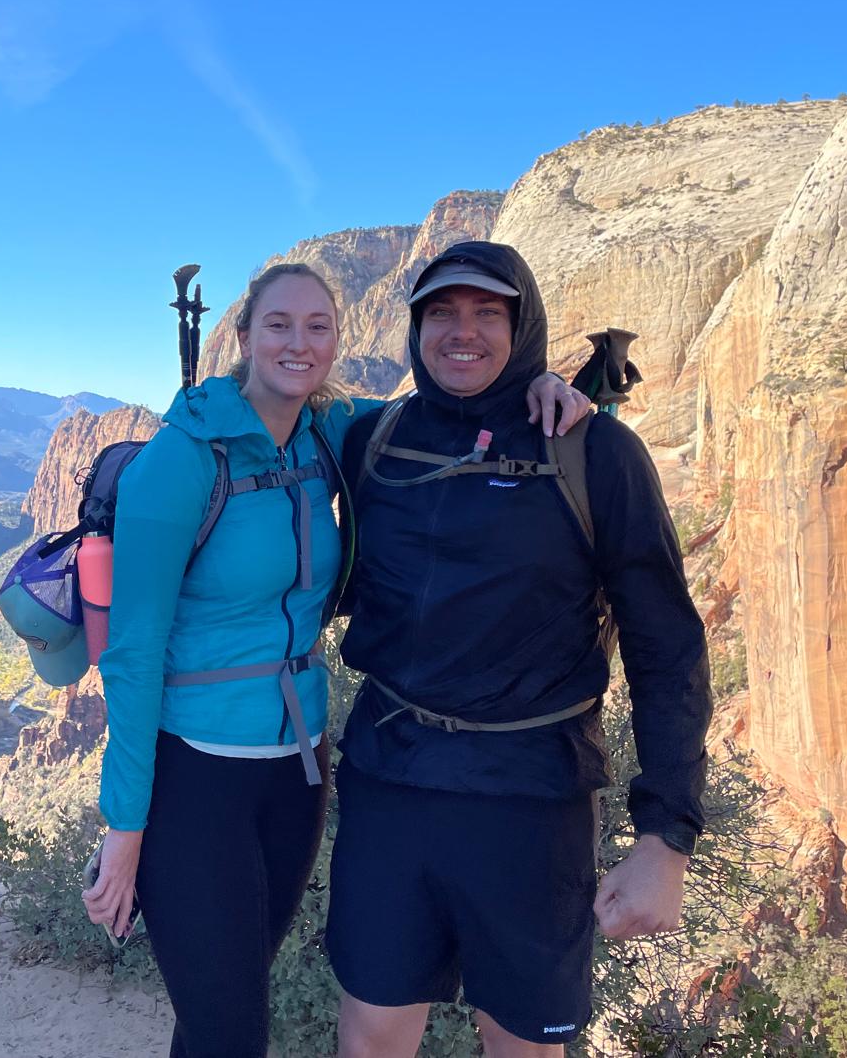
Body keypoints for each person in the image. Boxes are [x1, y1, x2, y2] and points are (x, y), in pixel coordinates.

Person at [82, 261, 590, 1058]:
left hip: (296, 769)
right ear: (243, 337)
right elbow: (134, 654)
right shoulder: (180, 462)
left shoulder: (330, 432)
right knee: (227, 1032)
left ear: (337, 341)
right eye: (279, 325)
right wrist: (125, 825)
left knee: (232, 1000)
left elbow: (442, 409)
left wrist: (543, 382)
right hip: (194, 774)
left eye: (318, 326)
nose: (299, 342)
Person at [327, 241, 711, 1057]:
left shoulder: (592, 451)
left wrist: (664, 838)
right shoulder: (375, 441)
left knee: (526, 1047)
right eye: (442, 312)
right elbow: (273, 419)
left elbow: (666, 645)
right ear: (415, 328)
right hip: (389, 782)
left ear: (523, 324)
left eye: (487, 314)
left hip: (532, 798)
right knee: (369, 1035)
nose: (462, 332)